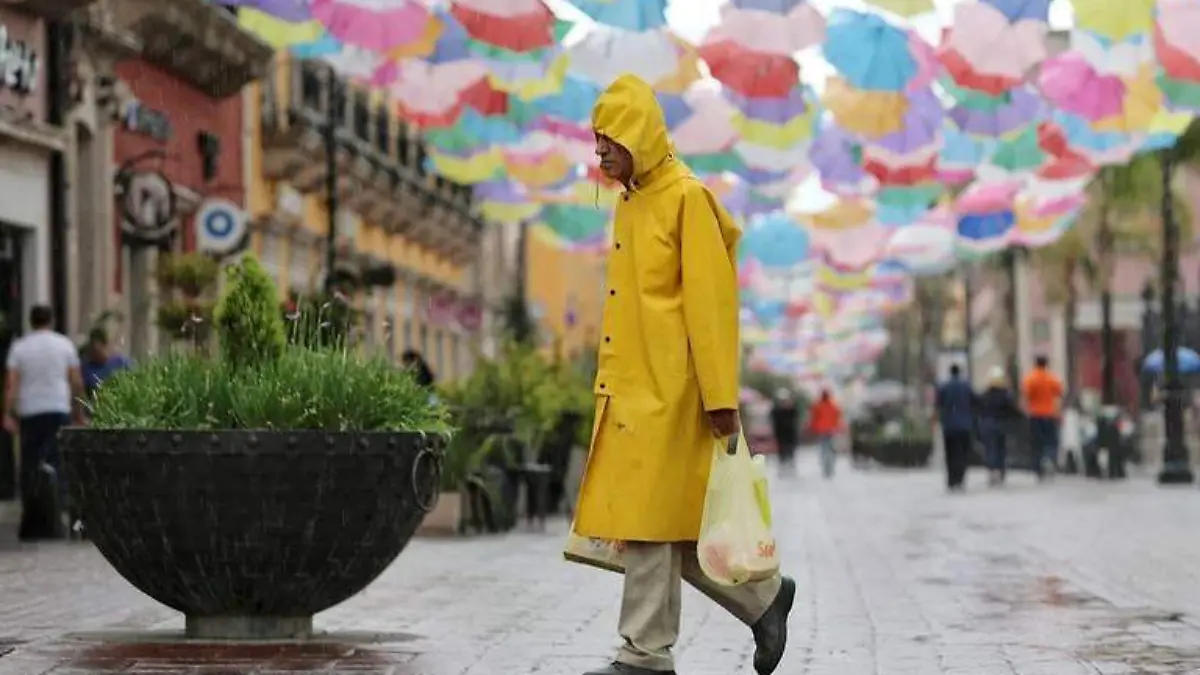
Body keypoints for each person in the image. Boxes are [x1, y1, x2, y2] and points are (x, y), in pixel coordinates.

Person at [574, 74, 794, 675]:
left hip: (673, 396)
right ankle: (765, 600)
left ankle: (643, 655)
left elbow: (712, 306)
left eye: (607, 141)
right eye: (595, 141)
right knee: (661, 527)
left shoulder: (686, 198)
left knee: (649, 525)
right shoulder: (631, 200)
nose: (598, 153)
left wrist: (721, 397)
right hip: (631, 392)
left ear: (637, 135)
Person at [3, 305, 84, 541]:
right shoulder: (64, 345)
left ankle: (34, 517)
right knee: (58, 461)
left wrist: (7, 413)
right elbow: (76, 381)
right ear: (52, 320)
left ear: (31, 321)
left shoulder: (20, 348)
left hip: (31, 411)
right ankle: (59, 513)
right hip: (58, 408)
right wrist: (79, 411)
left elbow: (12, 384)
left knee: (30, 464)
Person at [935, 364, 976, 492]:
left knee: (950, 454)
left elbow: (938, 403)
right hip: (964, 426)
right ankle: (960, 479)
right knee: (963, 453)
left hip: (949, 426)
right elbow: (975, 401)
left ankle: (951, 480)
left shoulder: (944, 387)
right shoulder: (966, 386)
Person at [1022, 355, 1064, 479]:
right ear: (1046, 364)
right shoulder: (1051, 378)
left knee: (1036, 442)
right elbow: (1059, 393)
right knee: (1051, 440)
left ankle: (1037, 467)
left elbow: (1026, 396)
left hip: (1034, 414)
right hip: (1050, 414)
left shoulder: (1030, 378)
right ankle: (1049, 458)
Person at [977, 366, 1019, 486]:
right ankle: (1000, 470)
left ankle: (993, 470)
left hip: (987, 425)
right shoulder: (1006, 395)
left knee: (990, 448)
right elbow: (1012, 410)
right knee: (1001, 449)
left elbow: (978, 409)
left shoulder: (984, 395)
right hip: (1001, 425)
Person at [80, 327, 130, 399]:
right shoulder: (85, 369)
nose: (94, 354)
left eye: (97, 350)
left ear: (105, 346)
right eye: (92, 350)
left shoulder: (121, 363)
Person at [806, 389, 842, 479]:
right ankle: (829, 465)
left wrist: (812, 427)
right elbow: (838, 417)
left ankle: (826, 464)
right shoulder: (833, 405)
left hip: (822, 430)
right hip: (830, 430)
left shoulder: (818, 405)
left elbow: (813, 418)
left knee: (824, 448)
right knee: (830, 448)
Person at [769, 388, 800, 475]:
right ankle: (782, 467)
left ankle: (791, 466)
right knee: (782, 451)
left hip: (791, 434)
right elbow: (773, 420)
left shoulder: (792, 410)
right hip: (780, 434)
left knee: (791, 451)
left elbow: (795, 418)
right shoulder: (776, 410)